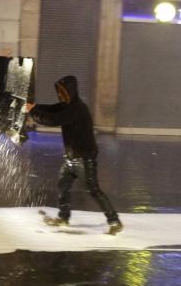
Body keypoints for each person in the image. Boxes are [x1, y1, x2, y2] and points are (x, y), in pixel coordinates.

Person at [26, 75, 123, 235]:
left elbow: (54, 119)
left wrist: (33, 112)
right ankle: (63, 217)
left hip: (84, 158)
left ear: (70, 92)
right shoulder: (67, 106)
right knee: (63, 186)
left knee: (94, 190)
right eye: (59, 92)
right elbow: (52, 109)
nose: (60, 96)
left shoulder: (77, 109)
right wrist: (35, 106)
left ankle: (114, 221)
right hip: (71, 157)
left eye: (62, 92)